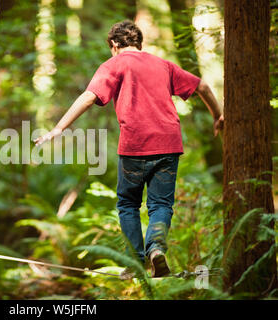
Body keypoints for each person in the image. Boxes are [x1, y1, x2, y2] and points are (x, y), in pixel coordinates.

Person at [34, 20, 224, 279]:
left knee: (128, 203)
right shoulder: (162, 64)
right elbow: (201, 86)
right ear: (139, 44)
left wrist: (58, 128)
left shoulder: (114, 64)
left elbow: (90, 96)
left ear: (114, 45)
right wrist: (218, 115)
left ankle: (136, 262)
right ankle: (156, 250)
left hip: (135, 145)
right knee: (161, 204)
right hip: (168, 144)